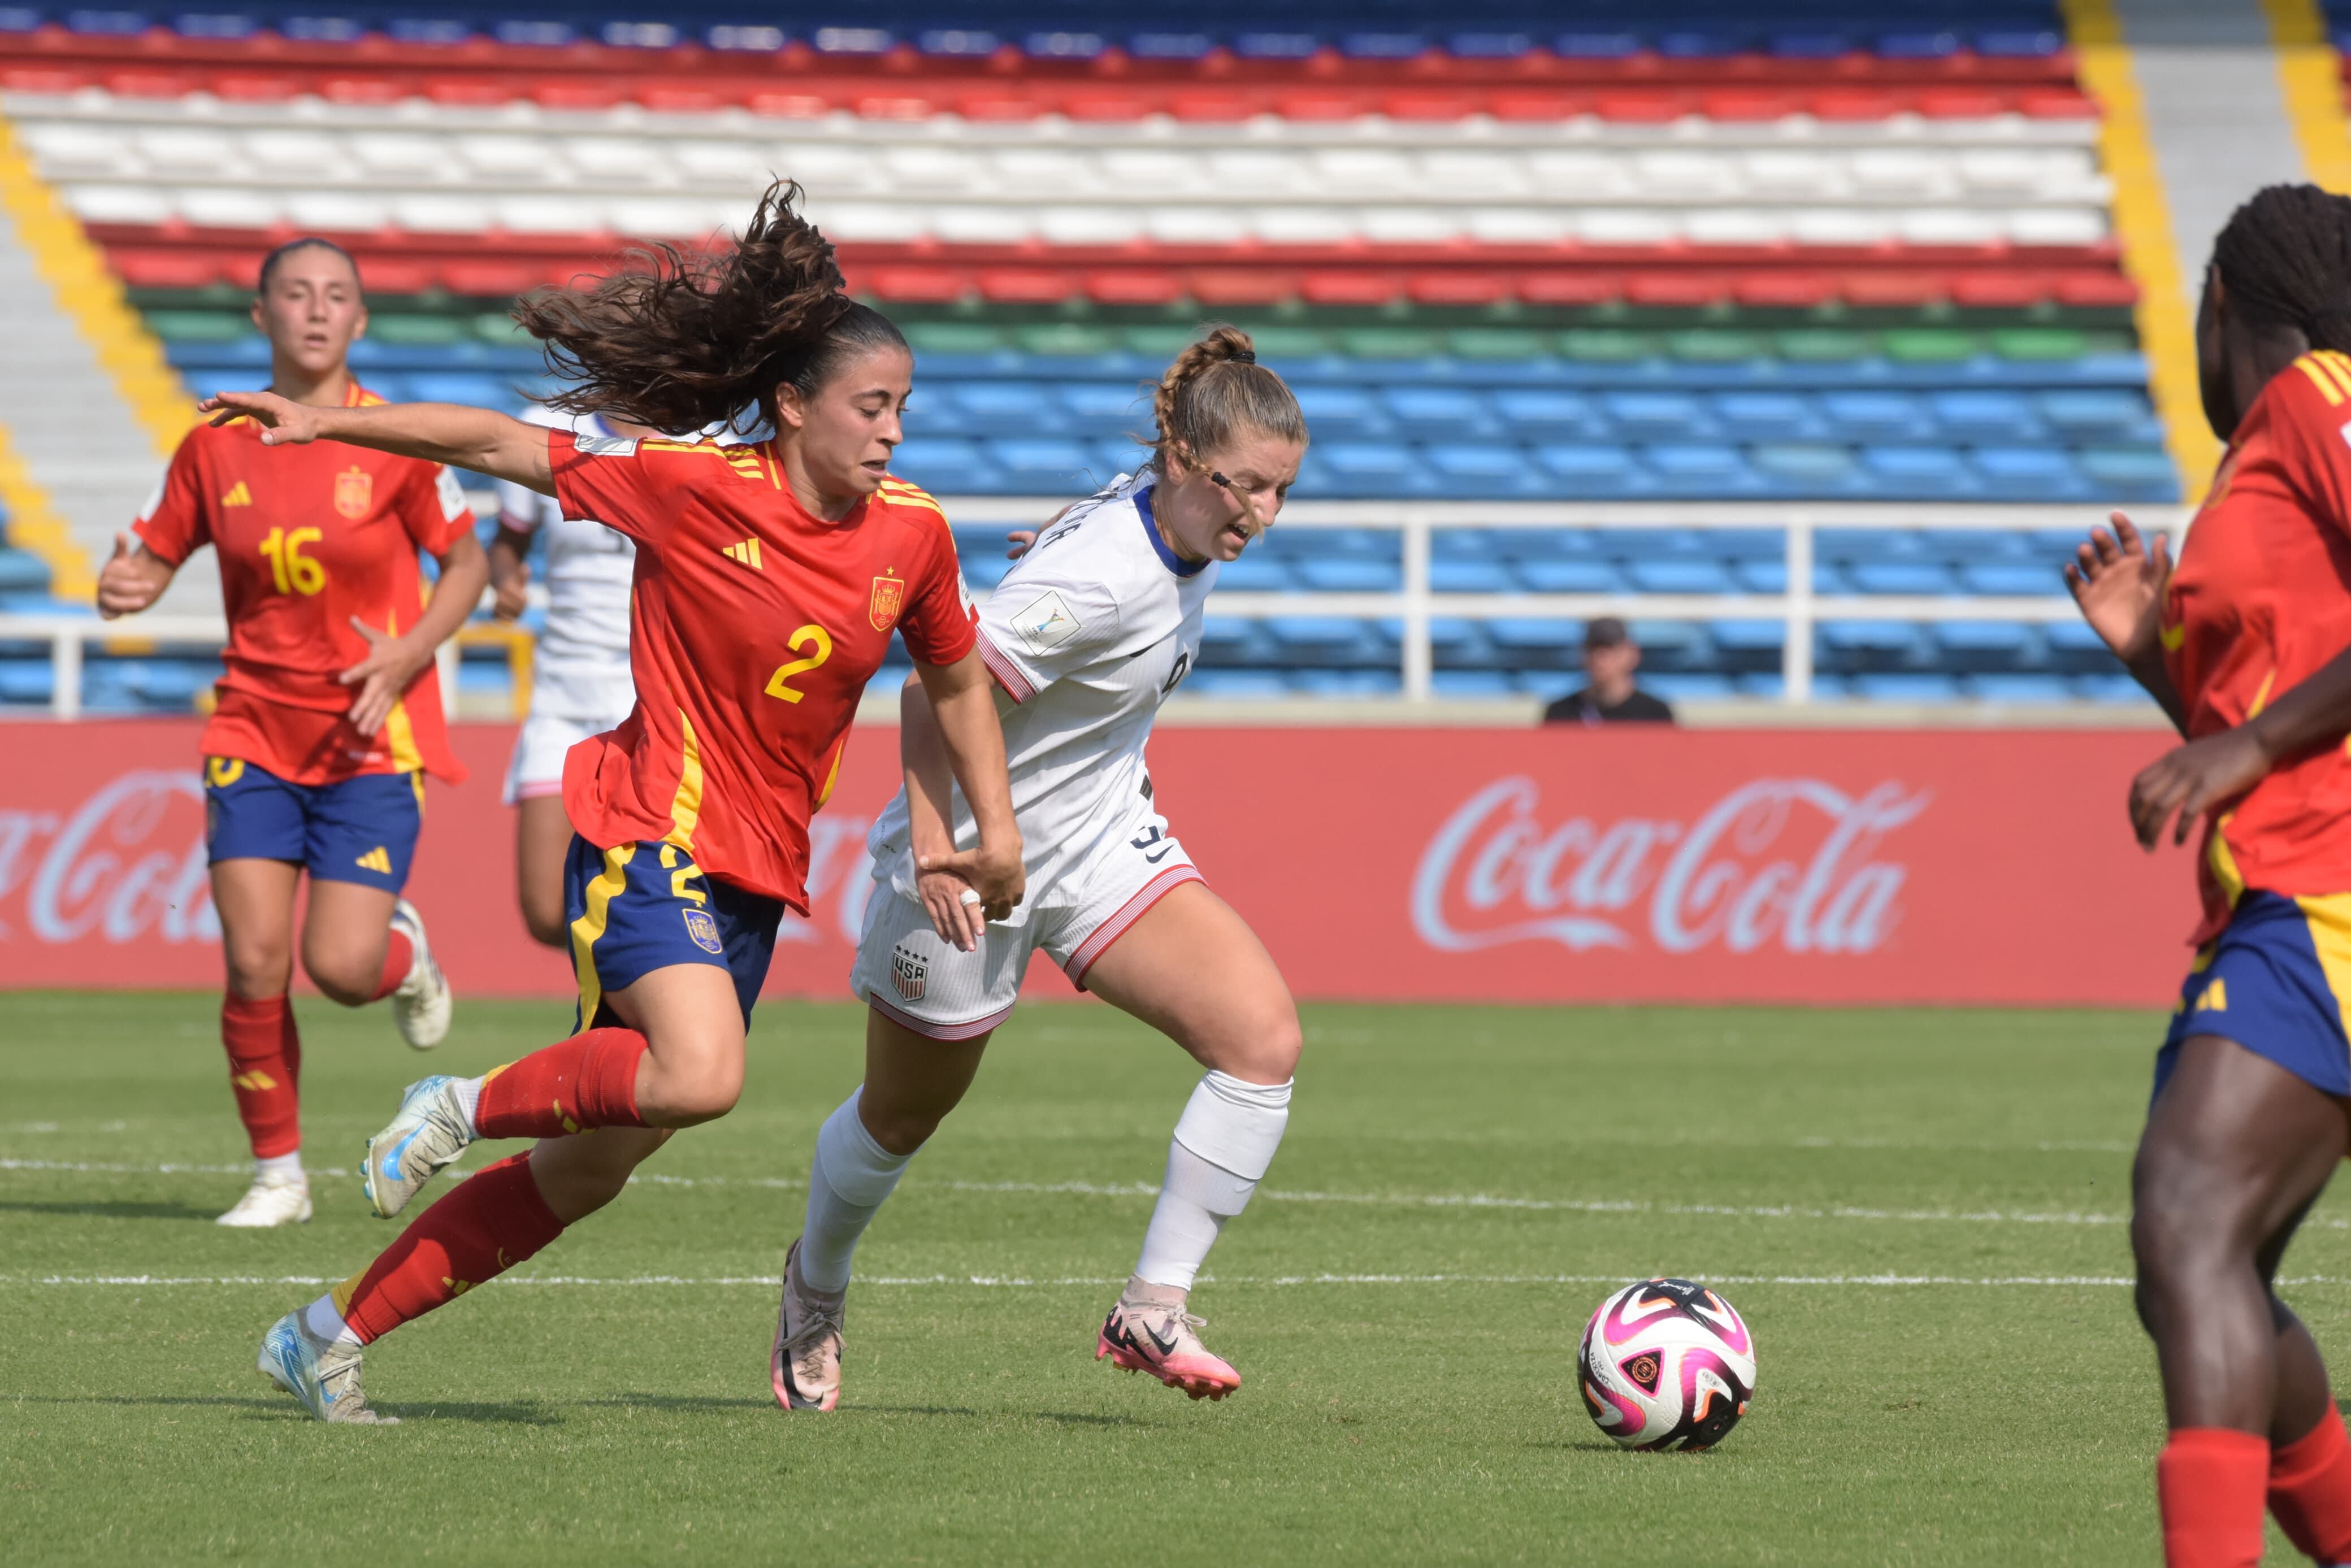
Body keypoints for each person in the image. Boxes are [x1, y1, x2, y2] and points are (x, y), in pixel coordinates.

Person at [233, 181, 1023, 1423]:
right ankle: (450, 1102)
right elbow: (498, 443)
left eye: (903, 410)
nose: (893, 435)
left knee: (591, 1166)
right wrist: (324, 426)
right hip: (643, 823)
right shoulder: (689, 486)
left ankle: (323, 1335)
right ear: (793, 404)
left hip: (758, 870)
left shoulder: (912, 536)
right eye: (872, 408)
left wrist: (989, 830)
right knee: (702, 1073)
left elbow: (958, 678)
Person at [770, 325, 1308, 1413]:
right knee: (900, 1118)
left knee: (1262, 1042)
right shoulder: (1109, 577)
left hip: (1101, 844)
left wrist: (1054, 542)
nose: (1260, 515)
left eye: (1281, 492)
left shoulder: (1164, 518)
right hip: (970, 863)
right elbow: (931, 690)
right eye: (1243, 488)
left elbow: (1098, 537)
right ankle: (814, 1287)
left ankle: (1153, 1303)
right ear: (1181, 462)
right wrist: (939, 850)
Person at [2066, 183, 2351, 1568]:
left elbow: (2264, 746)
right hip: (2291, 889)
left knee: (2188, 1226)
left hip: (2333, 897)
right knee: (2202, 1261)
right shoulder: (2259, 463)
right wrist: (2156, 660)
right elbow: (2270, 725)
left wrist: (2238, 740)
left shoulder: (2314, 395)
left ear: (2220, 300)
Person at [96, 237, 482, 1228]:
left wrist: (408, 654)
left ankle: (407, 959)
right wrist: (126, 583)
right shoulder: (214, 440)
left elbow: (468, 567)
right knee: (255, 960)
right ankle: (279, 1175)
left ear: (361, 319)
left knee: (343, 971)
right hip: (252, 732)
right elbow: (148, 557)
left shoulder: (395, 436)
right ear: (260, 315)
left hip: (367, 737)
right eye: (296, 294)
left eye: (338, 295)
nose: (317, 310)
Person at [486, 402, 658, 948]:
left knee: (653, 898)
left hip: (656, 699)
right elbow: (507, 543)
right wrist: (506, 579)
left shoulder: (705, 436)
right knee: (546, 910)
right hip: (563, 691)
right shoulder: (549, 426)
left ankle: (639, 1018)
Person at [1541, 617, 1673, 725]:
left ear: (1632, 654)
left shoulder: (1655, 714)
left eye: (1610, 649)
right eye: (1593, 649)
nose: (1600, 659)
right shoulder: (1560, 714)